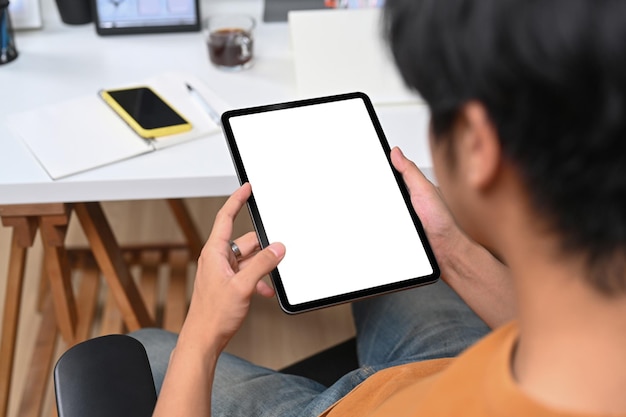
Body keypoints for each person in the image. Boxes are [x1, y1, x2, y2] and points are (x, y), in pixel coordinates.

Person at [132, 0, 626, 415]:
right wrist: (449, 247)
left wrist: (201, 331)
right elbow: (546, 338)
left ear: (478, 145)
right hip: (454, 364)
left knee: (149, 352)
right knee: (400, 260)